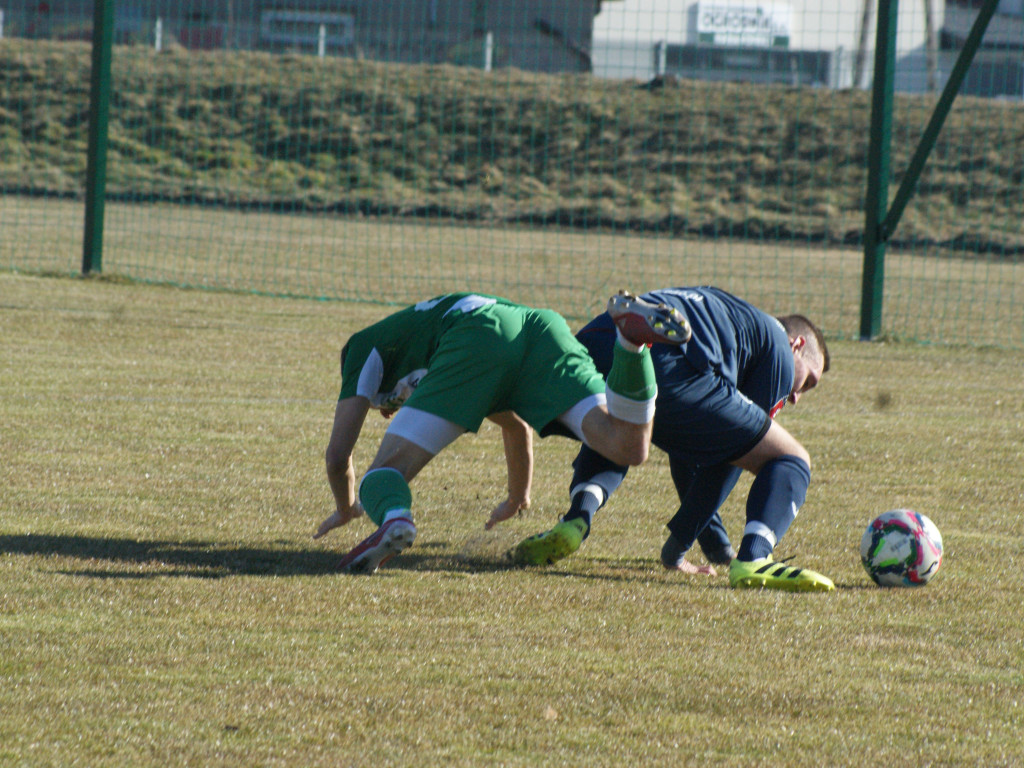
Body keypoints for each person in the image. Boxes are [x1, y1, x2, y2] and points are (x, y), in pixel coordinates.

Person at [312, 290, 691, 574]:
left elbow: (337, 457)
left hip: (477, 335)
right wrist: (516, 496)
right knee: (626, 446)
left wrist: (346, 510)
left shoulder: (363, 348)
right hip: (541, 326)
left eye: (390, 404)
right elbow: (515, 425)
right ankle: (632, 342)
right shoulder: (423, 339)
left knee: (383, 474)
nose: (392, 410)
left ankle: (396, 520)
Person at [513, 286, 835, 592]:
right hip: (672, 357)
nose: (796, 397)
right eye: (808, 382)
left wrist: (707, 544)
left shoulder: (733, 319)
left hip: (599, 340)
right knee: (790, 458)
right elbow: (725, 458)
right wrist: (683, 548)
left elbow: (692, 452)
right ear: (797, 345)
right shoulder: (777, 346)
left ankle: (575, 521)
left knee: (620, 432)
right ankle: (756, 558)